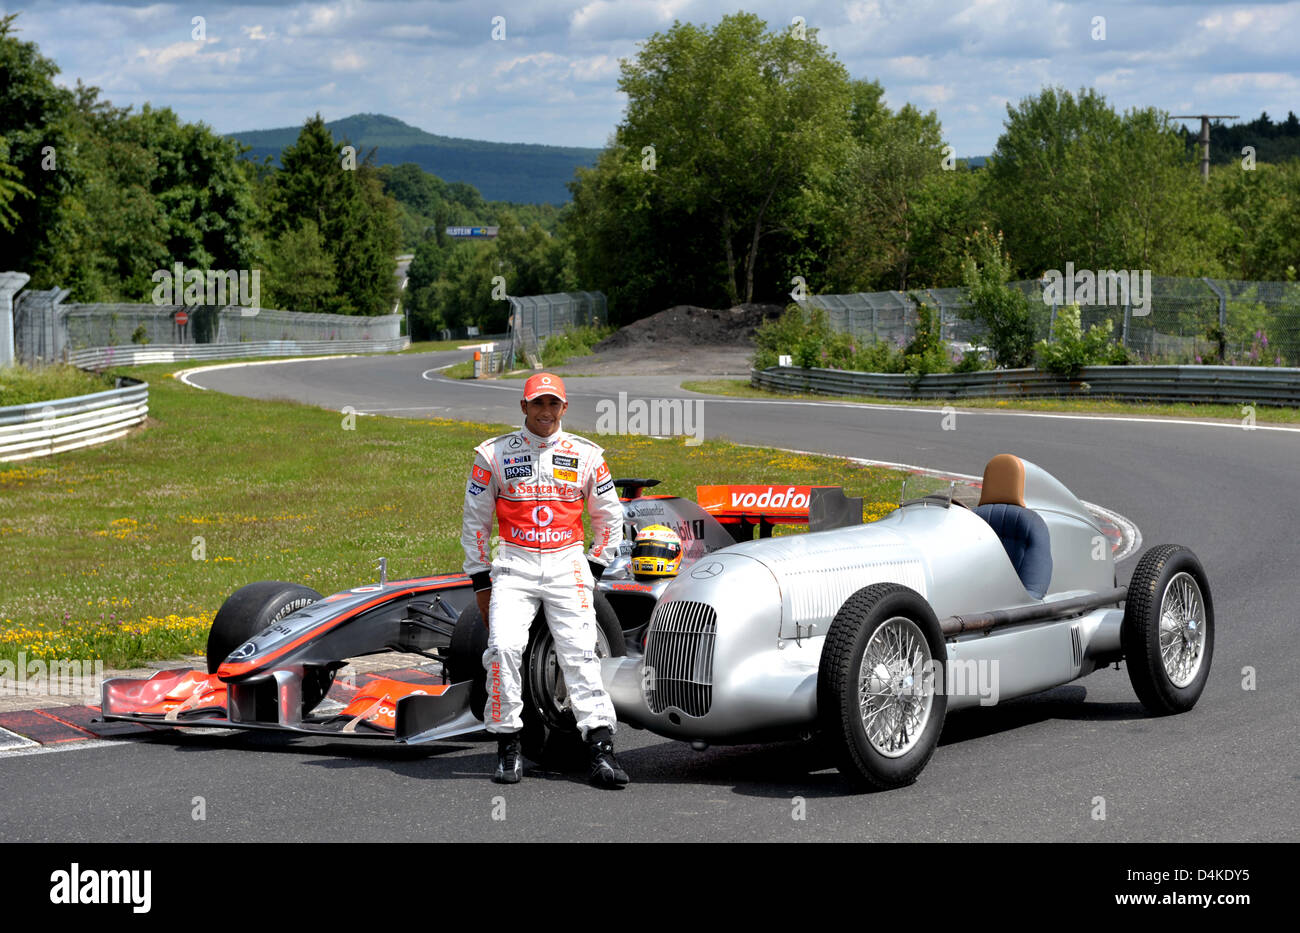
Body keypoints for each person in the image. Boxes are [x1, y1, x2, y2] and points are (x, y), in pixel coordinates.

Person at [460, 372, 629, 788]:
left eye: (553, 404)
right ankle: (508, 744)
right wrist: (481, 580)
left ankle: (601, 750)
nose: (546, 412)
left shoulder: (587, 455)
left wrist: (593, 568)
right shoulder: (492, 455)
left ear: (564, 408)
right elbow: (475, 524)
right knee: (501, 648)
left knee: (580, 653)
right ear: (523, 407)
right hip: (513, 563)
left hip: (566, 562)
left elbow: (610, 517)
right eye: (538, 404)